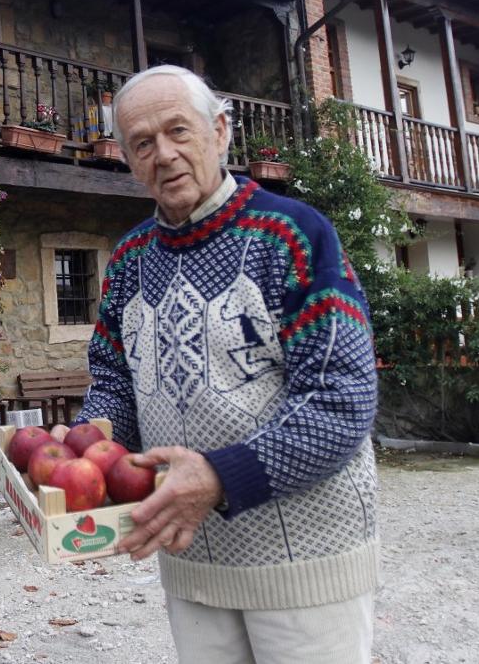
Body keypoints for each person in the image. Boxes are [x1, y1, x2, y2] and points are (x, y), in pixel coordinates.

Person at [54, 65, 379, 664]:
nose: (164, 154)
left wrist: (220, 477)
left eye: (179, 130)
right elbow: (114, 382)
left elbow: (341, 399)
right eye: (142, 143)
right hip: (192, 560)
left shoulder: (295, 235)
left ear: (221, 131)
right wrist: (87, 447)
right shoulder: (128, 259)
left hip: (306, 561)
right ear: (128, 160)